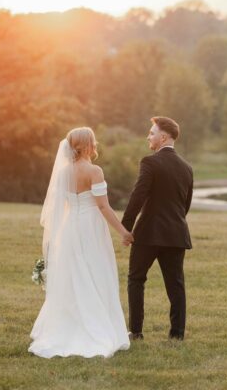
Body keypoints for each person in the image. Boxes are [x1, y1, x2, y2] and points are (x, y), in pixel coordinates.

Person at [28, 127, 133, 358]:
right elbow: (103, 206)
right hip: (90, 227)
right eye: (93, 141)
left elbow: (61, 206)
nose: (96, 144)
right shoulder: (94, 171)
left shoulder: (64, 171)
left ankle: (66, 326)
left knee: (73, 274)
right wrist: (124, 232)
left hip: (69, 228)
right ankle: (97, 328)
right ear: (88, 145)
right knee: (95, 272)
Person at [123, 116, 193, 341]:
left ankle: (136, 332)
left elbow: (137, 196)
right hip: (176, 233)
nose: (148, 137)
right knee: (176, 285)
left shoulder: (150, 162)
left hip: (148, 233)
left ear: (163, 137)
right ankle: (177, 335)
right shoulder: (187, 168)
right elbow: (185, 205)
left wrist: (126, 227)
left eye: (151, 133)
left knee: (136, 279)